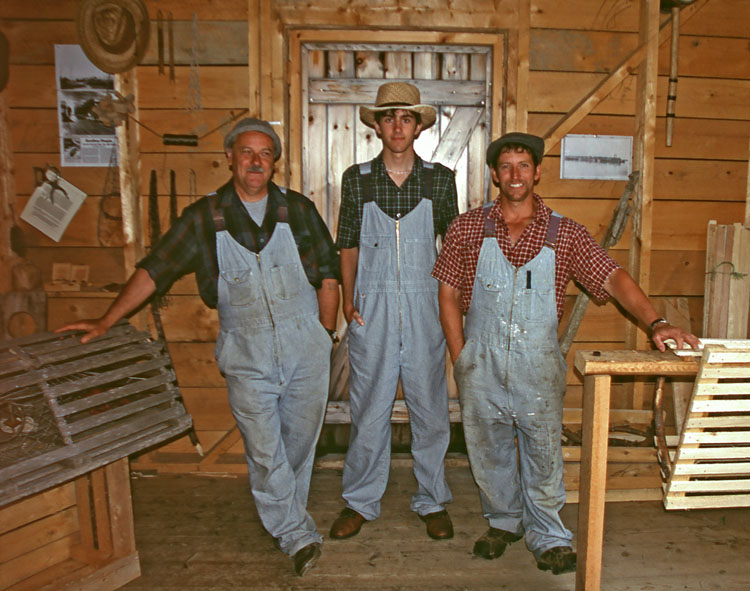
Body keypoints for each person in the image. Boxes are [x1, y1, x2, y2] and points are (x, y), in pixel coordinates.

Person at [57, 118, 340, 577]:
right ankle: (296, 533)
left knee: (297, 445)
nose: (255, 161)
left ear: (274, 162)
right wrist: (109, 318)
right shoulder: (203, 217)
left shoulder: (299, 210)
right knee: (264, 449)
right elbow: (156, 269)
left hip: (305, 341)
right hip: (245, 350)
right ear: (229, 157)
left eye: (265, 153)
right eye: (246, 152)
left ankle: (285, 514)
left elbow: (329, 273)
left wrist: (323, 336)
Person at [432, 132, 699, 575]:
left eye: (524, 166)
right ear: (495, 174)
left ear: (537, 172)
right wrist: (462, 357)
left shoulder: (566, 233)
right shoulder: (467, 228)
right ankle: (503, 522)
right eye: (506, 166)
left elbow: (613, 278)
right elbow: (447, 294)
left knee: (542, 452)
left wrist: (657, 323)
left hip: (537, 365)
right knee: (488, 450)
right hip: (481, 361)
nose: (515, 175)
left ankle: (549, 536)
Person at [329, 82, 458, 542]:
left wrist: (450, 310)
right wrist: (349, 302)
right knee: (369, 410)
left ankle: (433, 500)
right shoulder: (357, 178)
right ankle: (360, 501)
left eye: (406, 118)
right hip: (372, 309)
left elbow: (454, 249)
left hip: (426, 309)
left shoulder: (440, 179)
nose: (398, 126)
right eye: (389, 118)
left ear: (419, 126)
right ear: (378, 126)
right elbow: (346, 245)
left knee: (430, 410)